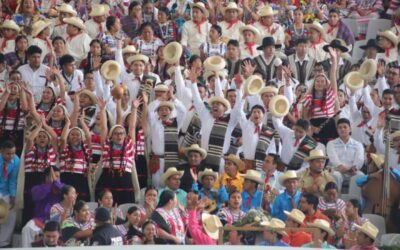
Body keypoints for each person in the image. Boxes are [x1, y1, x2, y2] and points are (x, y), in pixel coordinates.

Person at [21, 166, 64, 247]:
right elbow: (37, 195)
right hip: (41, 221)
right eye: (54, 176)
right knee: (27, 228)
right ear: (47, 177)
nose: (56, 179)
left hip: (58, 220)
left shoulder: (62, 187)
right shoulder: (37, 188)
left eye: (58, 176)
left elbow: (66, 191)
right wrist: (50, 185)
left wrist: (56, 183)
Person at [327, 118, 365, 190]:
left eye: (345, 127)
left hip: (352, 171)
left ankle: (354, 200)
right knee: (336, 175)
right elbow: (333, 158)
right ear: (337, 130)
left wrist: (353, 168)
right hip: (336, 170)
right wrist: (340, 166)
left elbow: (360, 160)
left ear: (350, 129)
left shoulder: (358, 144)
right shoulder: (331, 143)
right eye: (340, 127)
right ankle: (336, 199)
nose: (342, 129)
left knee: (360, 176)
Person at [0, 140, 19, 248]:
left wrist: (12, 195)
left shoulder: (16, 161)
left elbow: (12, 180)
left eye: (13, 153)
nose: (11, 156)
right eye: (8, 153)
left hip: (6, 191)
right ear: (1, 151)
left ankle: (3, 243)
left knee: (12, 212)